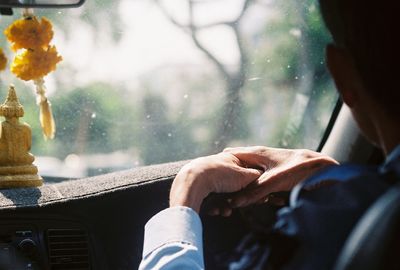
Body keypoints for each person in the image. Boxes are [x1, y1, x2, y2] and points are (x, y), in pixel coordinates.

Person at [139, 0, 400, 269]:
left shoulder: (327, 226)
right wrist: (338, 180)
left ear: (340, 72)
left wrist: (189, 190)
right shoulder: (368, 202)